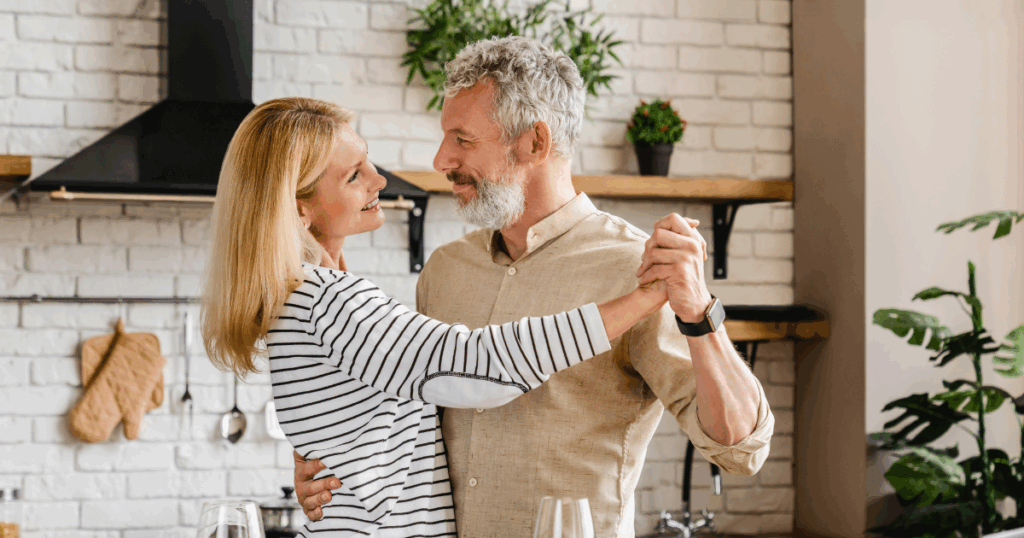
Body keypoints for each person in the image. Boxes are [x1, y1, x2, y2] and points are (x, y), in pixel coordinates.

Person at [294, 36, 775, 538]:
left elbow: (742, 448)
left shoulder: (635, 270)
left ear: (535, 143)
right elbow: (403, 424)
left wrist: (698, 311)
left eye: (462, 139)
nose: (441, 159)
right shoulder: (445, 270)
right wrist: (326, 470)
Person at [200, 97, 675, 538]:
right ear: (300, 210)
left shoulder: (299, 299)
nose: (379, 180)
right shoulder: (328, 301)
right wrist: (641, 298)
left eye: (368, 162)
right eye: (353, 176)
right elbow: (481, 366)